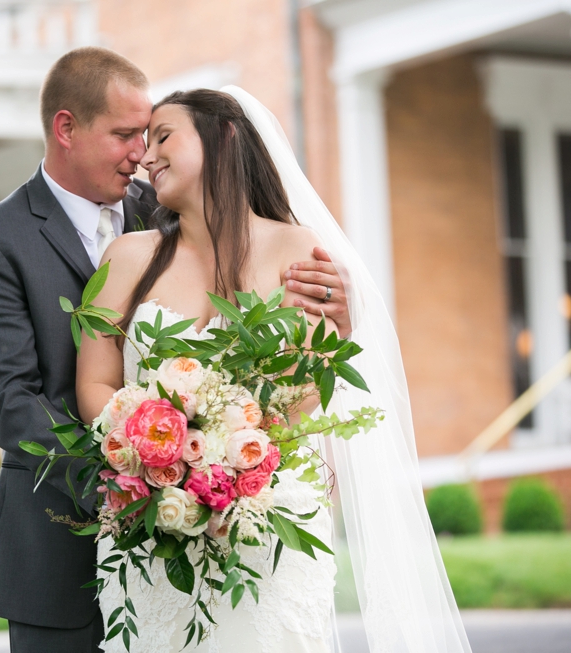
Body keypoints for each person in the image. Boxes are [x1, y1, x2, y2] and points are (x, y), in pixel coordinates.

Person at [0, 48, 353, 653]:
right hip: (58, 547)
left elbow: (291, 351)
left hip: (228, 520)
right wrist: (141, 483)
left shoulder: (173, 203)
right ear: (66, 129)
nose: (142, 153)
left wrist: (336, 323)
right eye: (124, 135)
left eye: (149, 135)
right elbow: (7, 401)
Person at [76, 88, 473, 652]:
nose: (145, 157)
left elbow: (307, 384)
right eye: (143, 143)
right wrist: (150, 455)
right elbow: (95, 383)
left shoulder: (300, 250)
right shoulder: (127, 257)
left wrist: (220, 452)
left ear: (226, 138)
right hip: (150, 520)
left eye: (163, 136)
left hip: (264, 516)